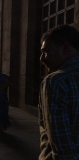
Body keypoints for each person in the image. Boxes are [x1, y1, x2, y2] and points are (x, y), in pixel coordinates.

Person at [38, 25, 79, 160]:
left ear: (65, 48)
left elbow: (60, 142)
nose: (42, 58)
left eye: (45, 52)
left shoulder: (56, 81)